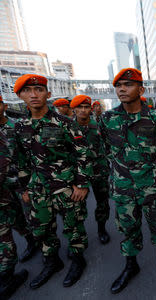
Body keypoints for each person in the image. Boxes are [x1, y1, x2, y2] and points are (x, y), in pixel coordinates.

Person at [98, 68, 156, 294]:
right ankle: (131, 265)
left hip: (152, 186)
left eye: (128, 84)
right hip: (123, 188)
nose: (122, 89)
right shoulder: (107, 119)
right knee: (128, 229)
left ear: (141, 89)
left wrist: (155, 176)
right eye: (118, 85)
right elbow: (105, 149)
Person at [14, 74, 92, 289]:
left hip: (66, 187)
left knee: (74, 228)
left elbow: (82, 153)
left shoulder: (65, 123)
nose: (34, 95)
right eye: (28, 91)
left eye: (39, 90)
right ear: (20, 96)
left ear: (48, 94)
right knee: (42, 230)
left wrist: (82, 184)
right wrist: (24, 188)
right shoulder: (20, 127)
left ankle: (77, 260)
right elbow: (21, 160)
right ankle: (52, 262)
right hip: (38, 189)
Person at [0, 97, 38, 263]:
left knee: (32, 216)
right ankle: (31, 243)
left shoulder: (17, 126)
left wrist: (27, 186)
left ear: (4, 106)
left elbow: (32, 154)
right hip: (3, 187)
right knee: (13, 219)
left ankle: (42, 244)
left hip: (23, 182)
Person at [71, 95, 111, 244]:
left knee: (102, 203)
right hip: (78, 174)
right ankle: (77, 237)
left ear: (90, 108)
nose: (83, 110)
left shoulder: (99, 125)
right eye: (79, 107)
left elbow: (109, 144)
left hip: (99, 172)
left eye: (86, 107)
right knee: (77, 207)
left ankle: (102, 229)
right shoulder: (68, 127)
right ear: (73, 109)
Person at [0, 129, 29, 299]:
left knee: (14, 225)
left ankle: (7, 275)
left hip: (7, 194)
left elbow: (5, 163)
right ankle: (7, 277)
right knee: (4, 239)